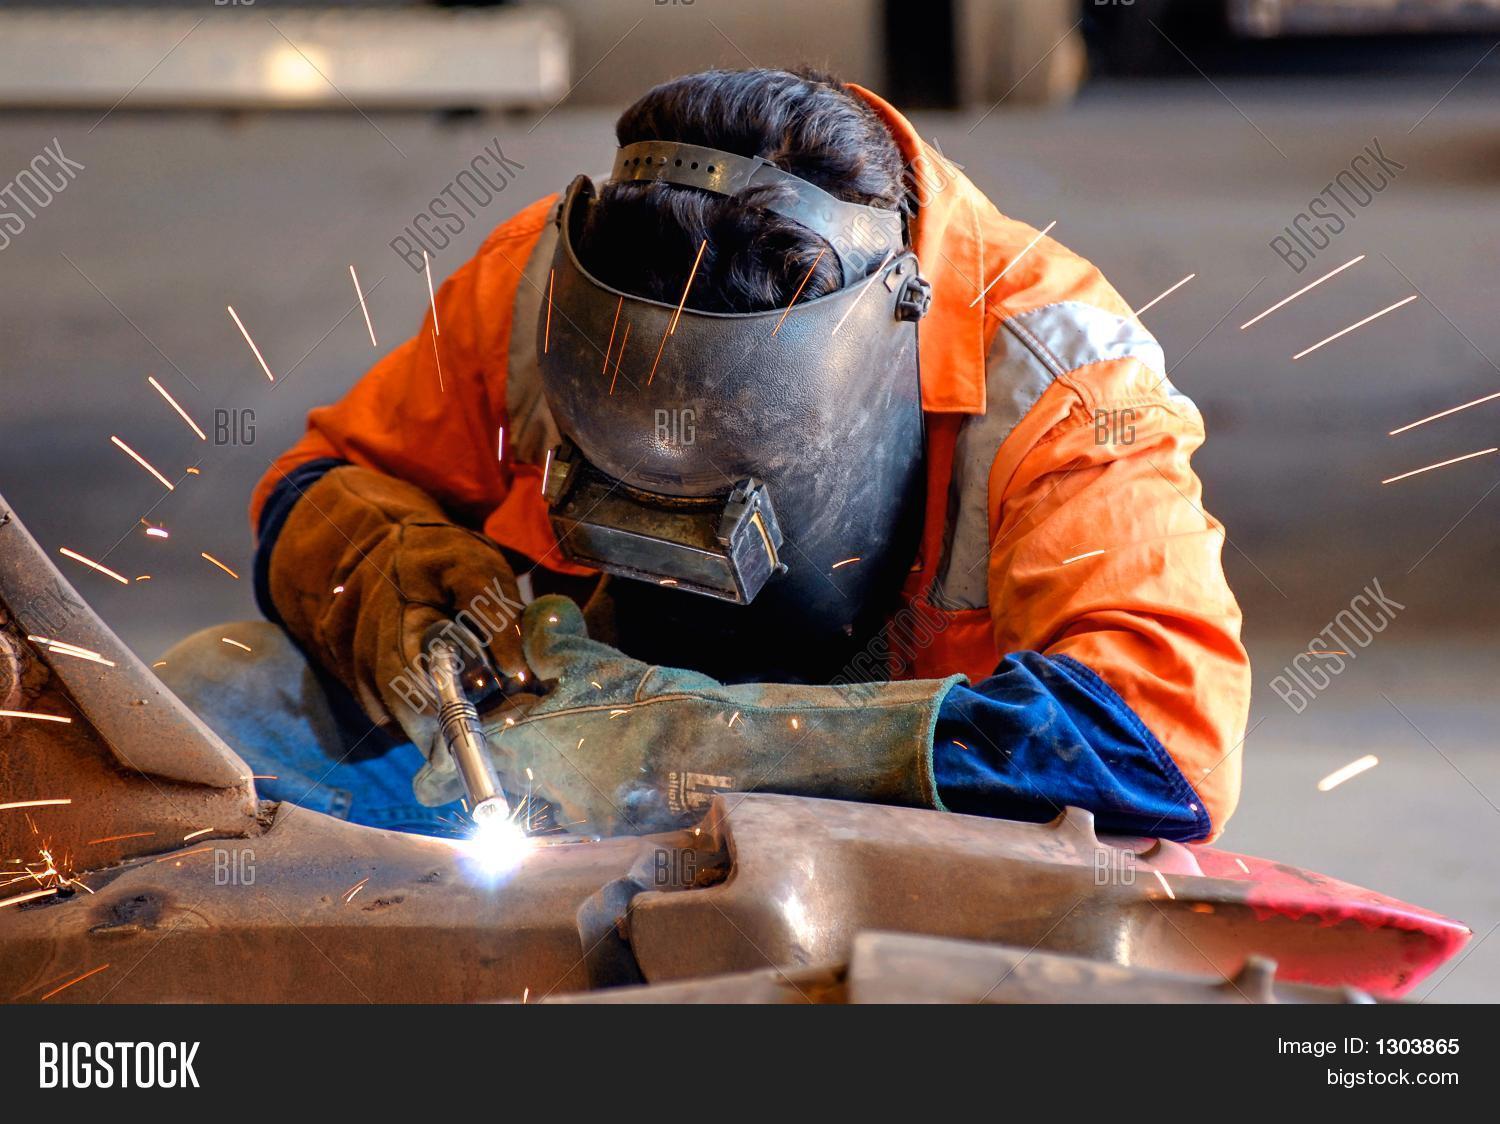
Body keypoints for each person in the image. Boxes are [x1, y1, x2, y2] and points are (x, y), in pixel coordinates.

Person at [161, 68, 1249, 844]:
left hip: (894, 836)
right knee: (227, 695)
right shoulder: (538, 285)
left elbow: (1161, 742)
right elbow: (317, 483)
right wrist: (390, 575)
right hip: (551, 778)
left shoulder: (1059, 377)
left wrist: (676, 745)